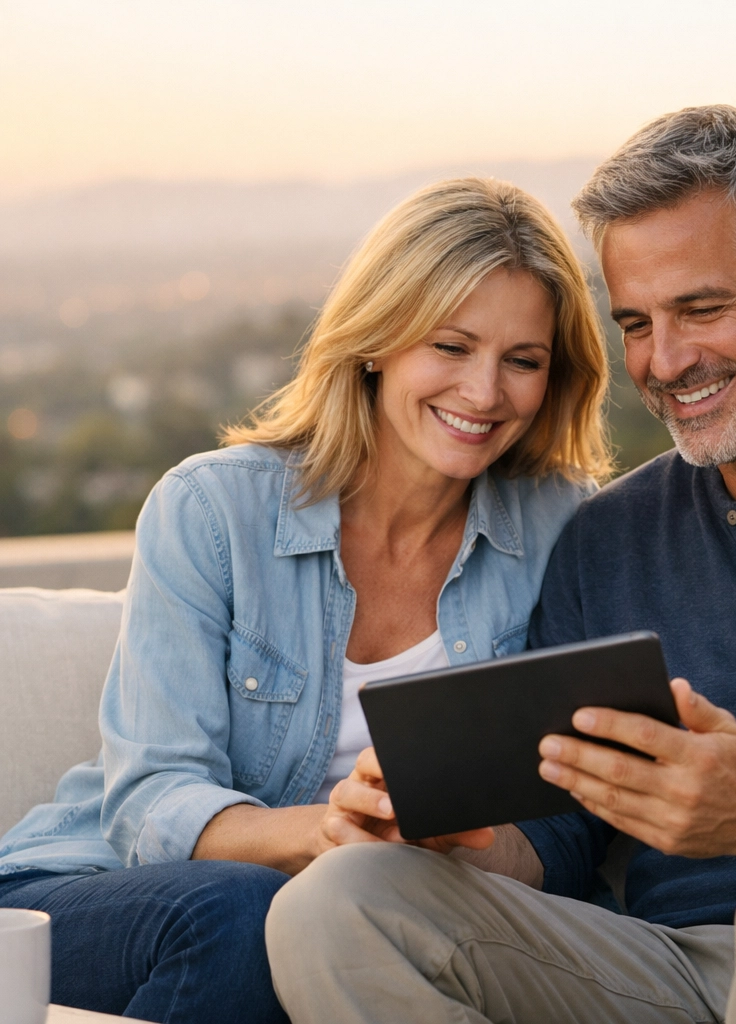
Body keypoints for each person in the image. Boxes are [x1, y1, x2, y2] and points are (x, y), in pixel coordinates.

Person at [265, 107, 736, 1023]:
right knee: (338, 901)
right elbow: (564, 835)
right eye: (635, 322)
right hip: (675, 971)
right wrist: (469, 841)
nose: (665, 362)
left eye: (701, 309)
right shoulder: (608, 534)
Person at [0, 177, 612, 1022]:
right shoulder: (213, 511)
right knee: (251, 917)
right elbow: (151, 799)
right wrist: (331, 831)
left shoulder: (563, 530)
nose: (484, 392)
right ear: (377, 341)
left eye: (523, 361)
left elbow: (568, 830)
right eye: (451, 346)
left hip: (379, 913)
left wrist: (468, 849)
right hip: (93, 892)